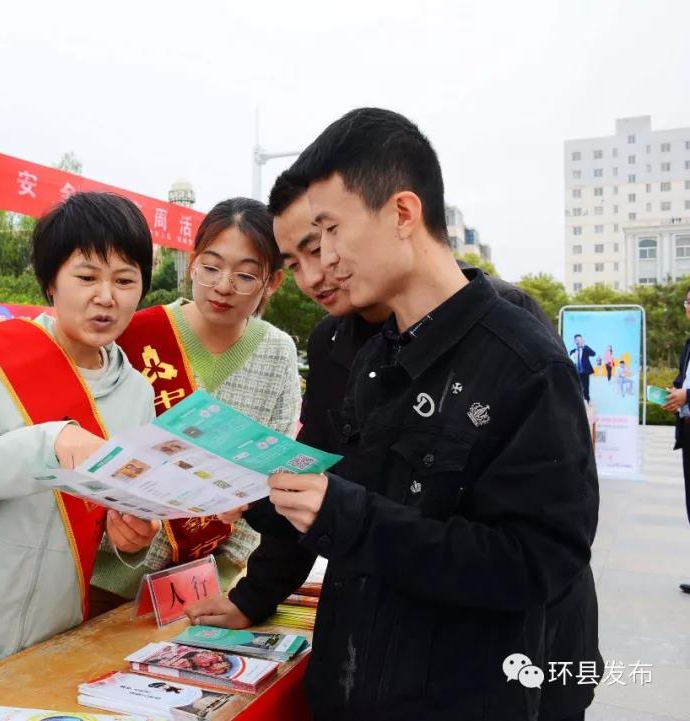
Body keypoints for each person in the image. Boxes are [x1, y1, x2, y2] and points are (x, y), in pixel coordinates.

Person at [189, 168, 601, 721]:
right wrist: (254, 589)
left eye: (324, 242)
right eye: (296, 261)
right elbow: (324, 481)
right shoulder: (337, 340)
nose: (318, 272)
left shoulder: (506, 333)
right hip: (381, 652)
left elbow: (534, 545)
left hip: (509, 658)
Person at [0, 192, 160, 687]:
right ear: (52, 281)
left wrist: (132, 539)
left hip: (59, 640)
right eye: (87, 277)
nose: (106, 297)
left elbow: (116, 513)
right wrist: (50, 444)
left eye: (124, 280)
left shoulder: (137, 392)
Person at [88, 197, 301, 615]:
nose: (223, 286)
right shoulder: (136, 334)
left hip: (210, 588)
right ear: (192, 263)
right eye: (211, 267)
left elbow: (273, 473)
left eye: (245, 275)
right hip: (108, 580)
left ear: (273, 282)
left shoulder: (278, 353)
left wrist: (229, 571)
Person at [663, 287, 690, 594]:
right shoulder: (688, 345)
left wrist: (687, 395)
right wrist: (674, 393)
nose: (688, 307)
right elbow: (683, 381)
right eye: (688, 302)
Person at [570, 334, 597, 402]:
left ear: (582, 340)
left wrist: (585, 346)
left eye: (579, 339)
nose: (578, 341)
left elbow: (593, 353)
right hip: (576, 373)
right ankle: (579, 402)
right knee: (577, 388)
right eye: (576, 340)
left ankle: (587, 402)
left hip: (585, 372)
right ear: (574, 341)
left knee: (586, 388)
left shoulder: (585, 349)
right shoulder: (572, 351)